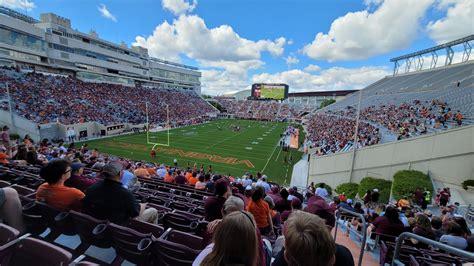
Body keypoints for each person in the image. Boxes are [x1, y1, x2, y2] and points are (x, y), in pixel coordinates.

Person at [82, 161, 158, 225]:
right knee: (153, 211)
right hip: (117, 226)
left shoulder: (92, 188)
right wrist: (142, 206)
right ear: (120, 174)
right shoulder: (125, 194)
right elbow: (135, 214)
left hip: (97, 224)